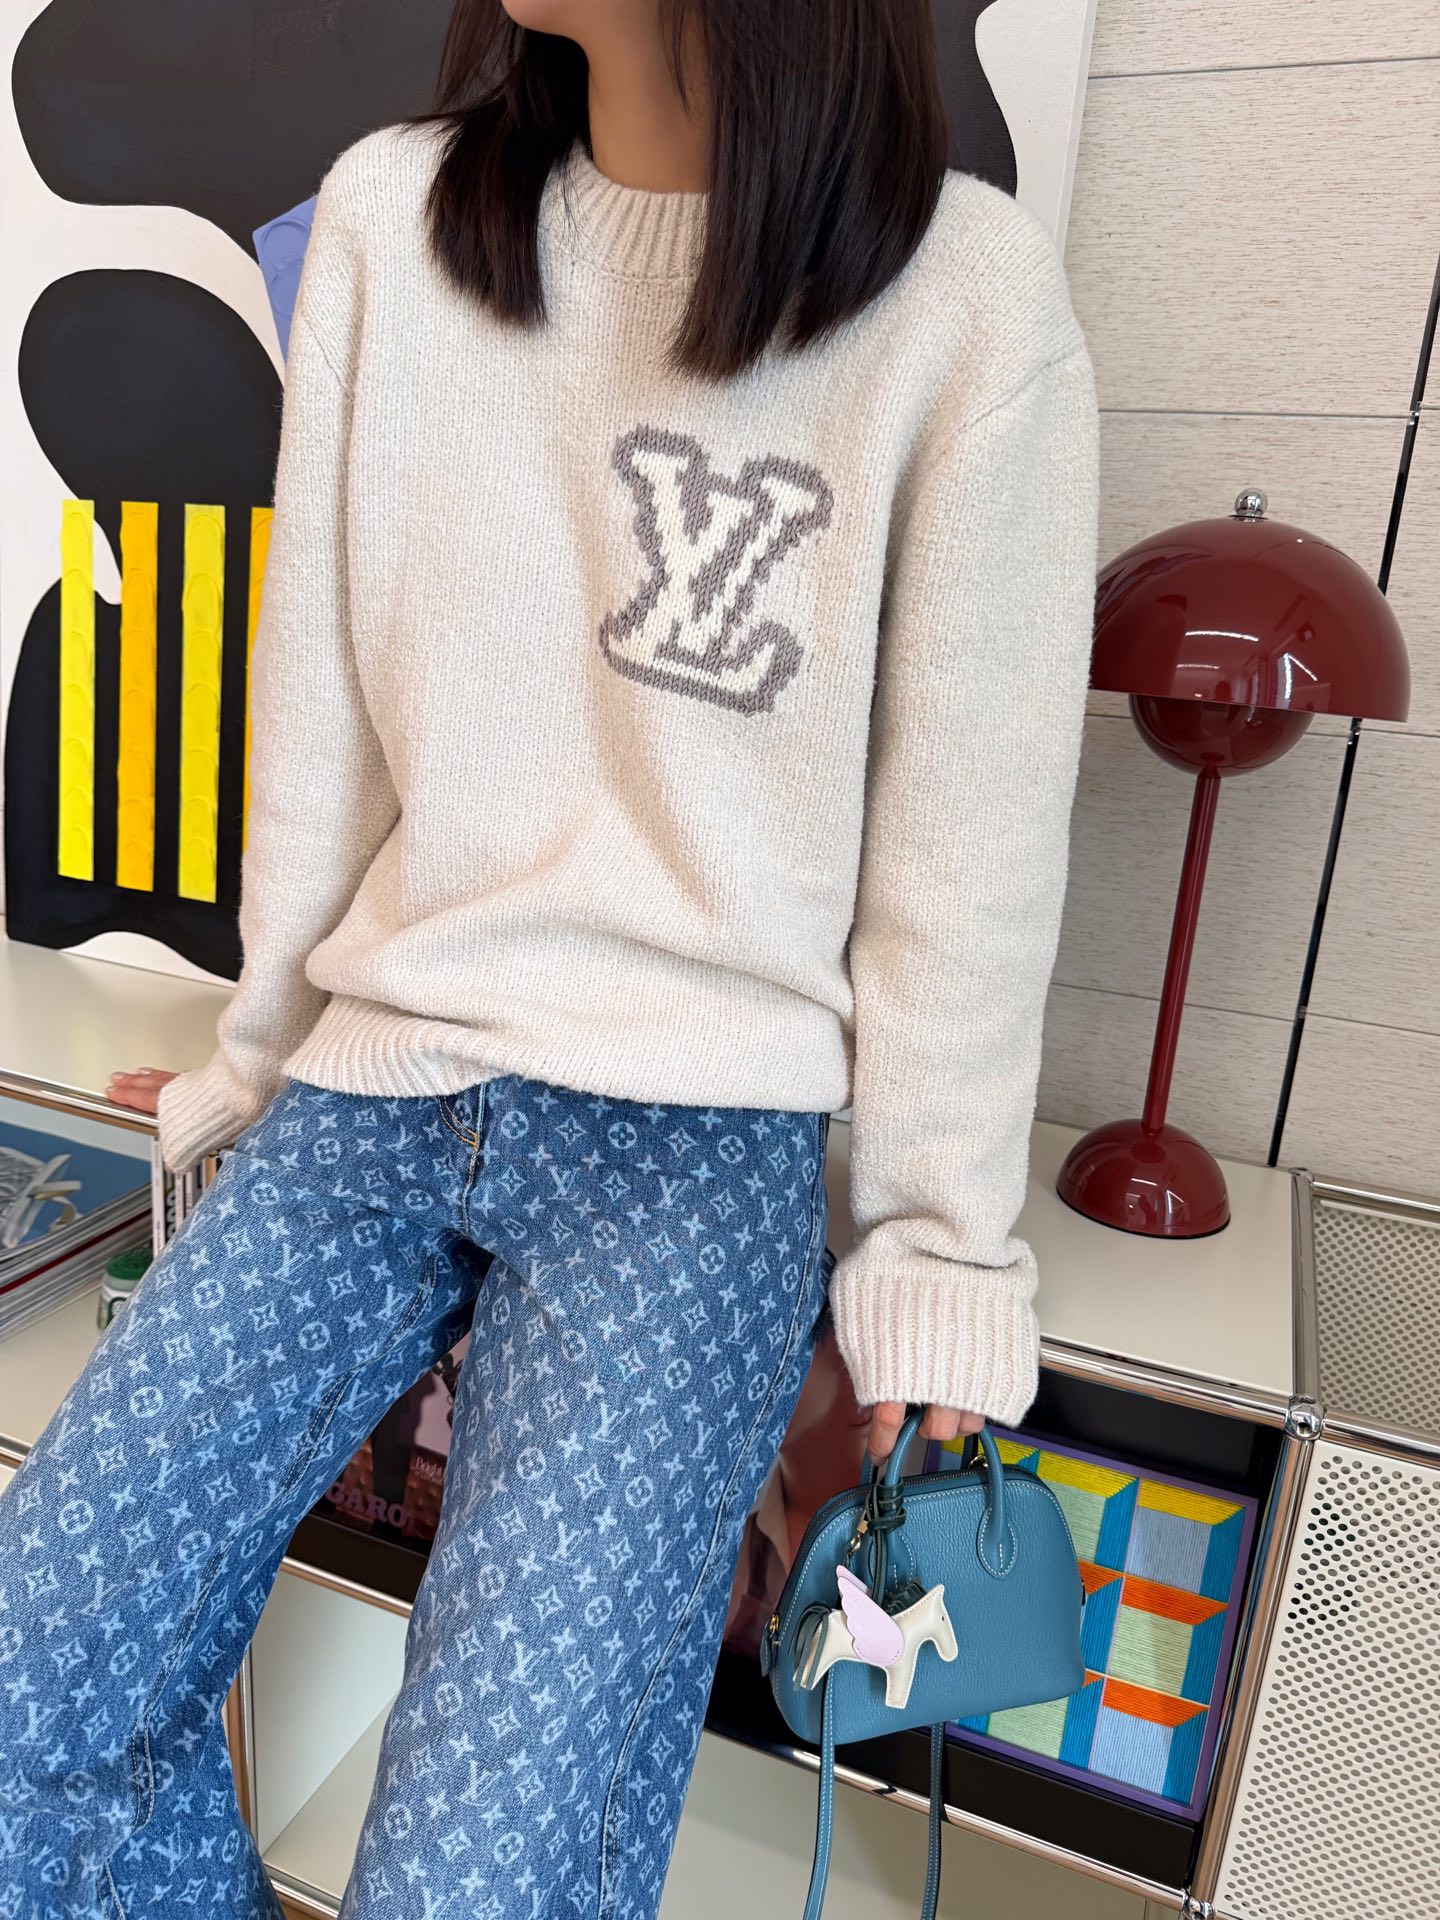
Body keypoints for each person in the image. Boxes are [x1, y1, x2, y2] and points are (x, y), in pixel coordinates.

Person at [0, 0, 1100, 1913]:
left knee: (480, 1878)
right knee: (33, 1686)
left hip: (692, 1152)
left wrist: (932, 1254)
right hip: (374, 1090)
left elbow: (967, 848)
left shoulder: (962, 300)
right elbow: (321, 718)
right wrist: (255, 1062)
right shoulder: (392, 220)